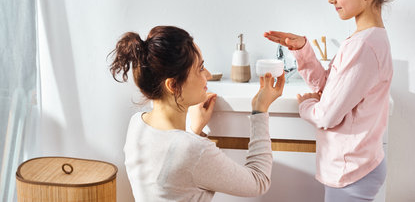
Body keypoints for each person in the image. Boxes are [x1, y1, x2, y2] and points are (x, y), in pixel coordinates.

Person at [264, 0, 399, 202]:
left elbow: (326, 114)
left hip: (352, 173)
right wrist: (303, 50)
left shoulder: (364, 46)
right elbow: (331, 88)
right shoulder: (365, 40)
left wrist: (306, 106)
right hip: (355, 168)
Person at [109, 25, 285, 202]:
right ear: (173, 86)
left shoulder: (137, 125)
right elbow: (259, 181)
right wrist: (260, 109)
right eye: (200, 68)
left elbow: (171, 184)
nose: (207, 75)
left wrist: (194, 131)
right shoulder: (193, 150)